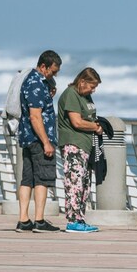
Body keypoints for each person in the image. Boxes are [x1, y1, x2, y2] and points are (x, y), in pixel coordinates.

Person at [16, 50, 62, 233]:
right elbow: (35, 117)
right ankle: (39, 220)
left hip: (28, 137)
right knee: (42, 178)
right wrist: (46, 142)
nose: (54, 75)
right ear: (43, 66)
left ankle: (23, 220)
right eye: (53, 71)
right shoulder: (36, 83)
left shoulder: (32, 81)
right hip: (38, 139)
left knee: (27, 179)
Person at [56, 67, 103, 233]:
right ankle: (73, 221)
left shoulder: (85, 95)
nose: (93, 90)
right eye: (92, 86)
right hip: (73, 144)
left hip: (85, 145)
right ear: (82, 81)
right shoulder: (71, 94)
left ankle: (80, 218)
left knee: (84, 183)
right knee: (74, 182)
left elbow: (88, 117)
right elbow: (76, 122)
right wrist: (95, 127)